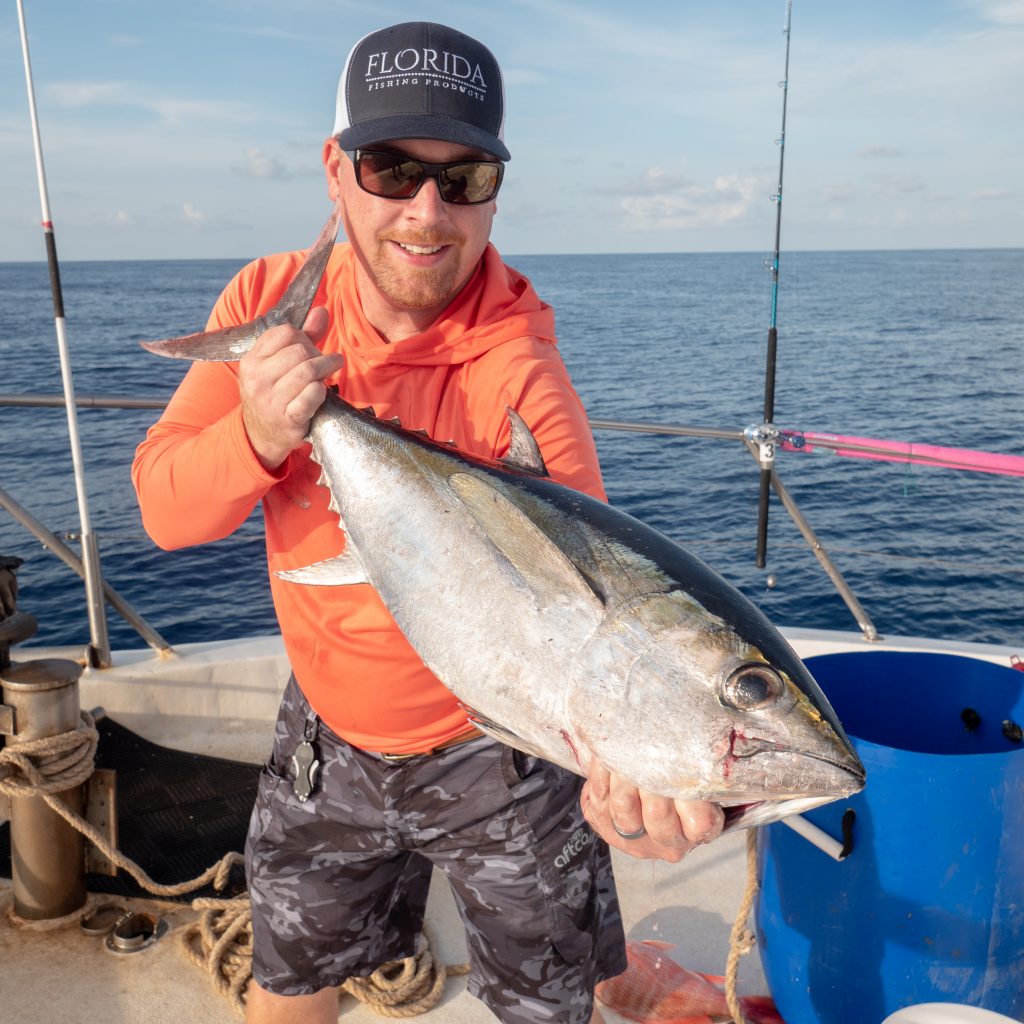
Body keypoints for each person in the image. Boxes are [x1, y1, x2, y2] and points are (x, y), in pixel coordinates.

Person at [132, 21, 723, 1024]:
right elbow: (164, 512)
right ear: (334, 168)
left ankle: (610, 966)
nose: (425, 210)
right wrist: (257, 430)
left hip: (497, 749)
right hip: (326, 731)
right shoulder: (271, 303)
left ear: (496, 187)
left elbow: (602, 608)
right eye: (390, 167)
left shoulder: (519, 377)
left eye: (465, 179)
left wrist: (636, 777)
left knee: (549, 1003)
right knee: (288, 987)